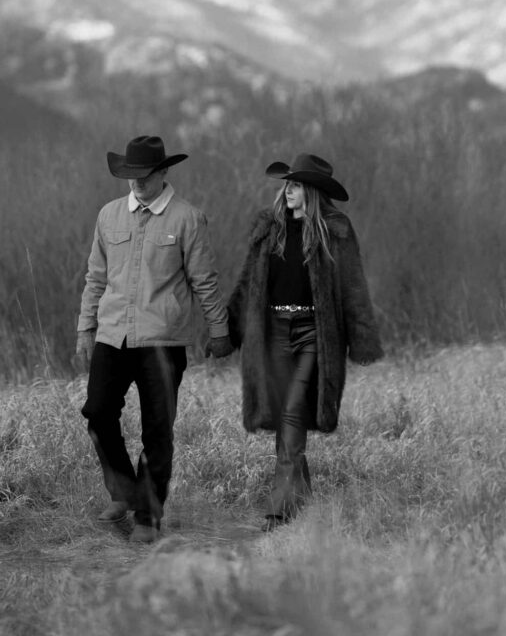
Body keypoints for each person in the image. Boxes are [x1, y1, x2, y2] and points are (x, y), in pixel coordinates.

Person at [75, 134, 232, 543]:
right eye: (131, 175)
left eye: (145, 175)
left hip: (163, 340)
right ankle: (123, 489)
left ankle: (147, 514)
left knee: (157, 431)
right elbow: (95, 277)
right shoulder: (108, 216)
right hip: (112, 335)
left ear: (163, 172)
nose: (137, 183)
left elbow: (205, 281)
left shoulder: (187, 219)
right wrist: (85, 328)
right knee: (96, 412)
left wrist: (219, 330)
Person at [227, 152, 383, 531]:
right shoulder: (269, 230)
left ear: (311, 191)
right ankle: (303, 499)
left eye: (295, 185)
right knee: (284, 416)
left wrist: (362, 338)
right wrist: (224, 331)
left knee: (294, 410)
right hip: (275, 331)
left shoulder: (335, 231)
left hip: (315, 331)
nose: (288, 191)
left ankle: (280, 509)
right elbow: (248, 285)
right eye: (287, 185)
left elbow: (353, 287)